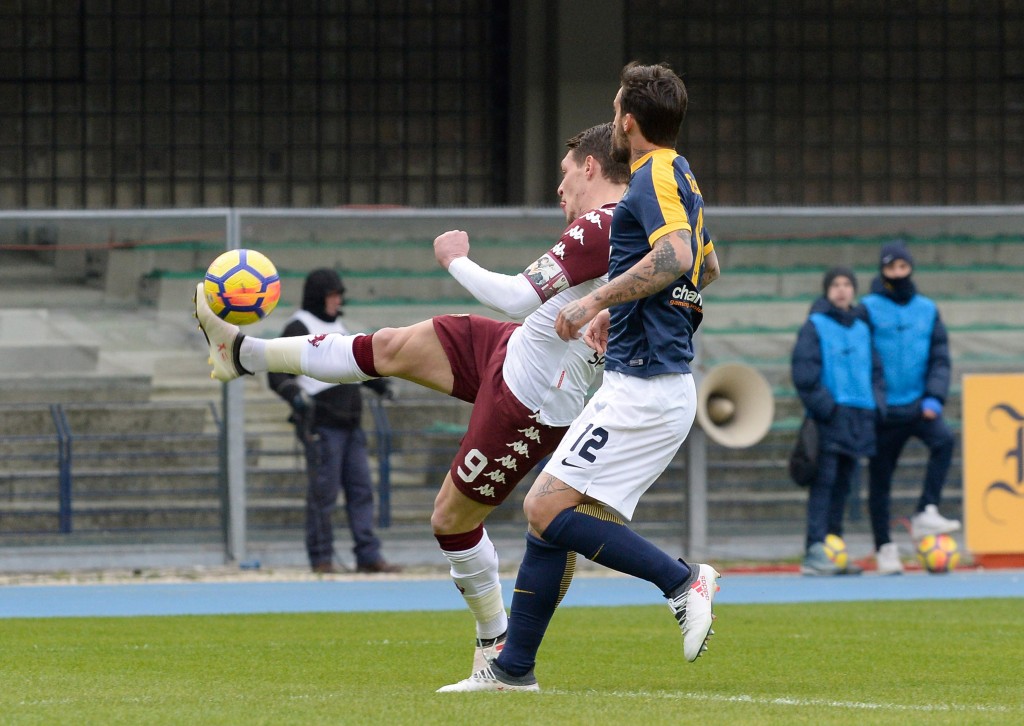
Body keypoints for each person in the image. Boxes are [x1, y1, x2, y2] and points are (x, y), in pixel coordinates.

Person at [194, 123, 629, 670]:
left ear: (590, 168)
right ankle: (241, 354)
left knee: (451, 520)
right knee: (392, 346)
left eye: (564, 175)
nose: (559, 189)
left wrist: (455, 259)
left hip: (531, 398)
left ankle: (496, 645)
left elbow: (519, 295)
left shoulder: (604, 223)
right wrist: (613, 311)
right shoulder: (634, 224)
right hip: (512, 349)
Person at [439, 61, 722, 693]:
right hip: (647, 379)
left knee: (543, 507)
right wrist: (625, 307)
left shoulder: (651, 176)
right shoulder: (681, 177)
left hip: (645, 386)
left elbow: (679, 258)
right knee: (551, 515)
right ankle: (512, 670)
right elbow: (707, 267)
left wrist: (595, 302)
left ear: (627, 121)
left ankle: (683, 580)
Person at [267, 268, 400, 575]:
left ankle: (368, 555)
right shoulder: (298, 326)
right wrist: (294, 395)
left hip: (350, 424)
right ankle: (321, 558)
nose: (338, 300)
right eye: (333, 295)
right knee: (323, 495)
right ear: (318, 297)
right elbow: (276, 373)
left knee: (361, 491)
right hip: (322, 424)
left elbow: (352, 365)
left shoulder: (338, 326)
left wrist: (378, 384)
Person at [861, 241, 960, 575]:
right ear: (883, 271)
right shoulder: (868, 308)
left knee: (945, 440)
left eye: (903, 268)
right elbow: (862, 356)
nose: (898, 274)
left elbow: (940, 358)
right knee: (880, 481)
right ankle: (884, 547)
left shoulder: (928, 309)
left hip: (920, 405)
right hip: (885, 411)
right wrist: (873, 402)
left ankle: (925, 510)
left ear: (911, 269)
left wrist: (934, 396)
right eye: (891, 268)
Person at [791, 267, 885, 576]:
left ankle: (835, 548)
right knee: (824, 483)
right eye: (836, 284)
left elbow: (875, 372)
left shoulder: (862, 327)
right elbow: (804, 375)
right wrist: (827, 409)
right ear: (827, 290)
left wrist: (877, 405)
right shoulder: (815, 325)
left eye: (847, 284)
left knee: (845, 486)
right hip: (831, 417)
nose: (842, 290)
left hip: (860, 417)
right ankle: (815, 549)